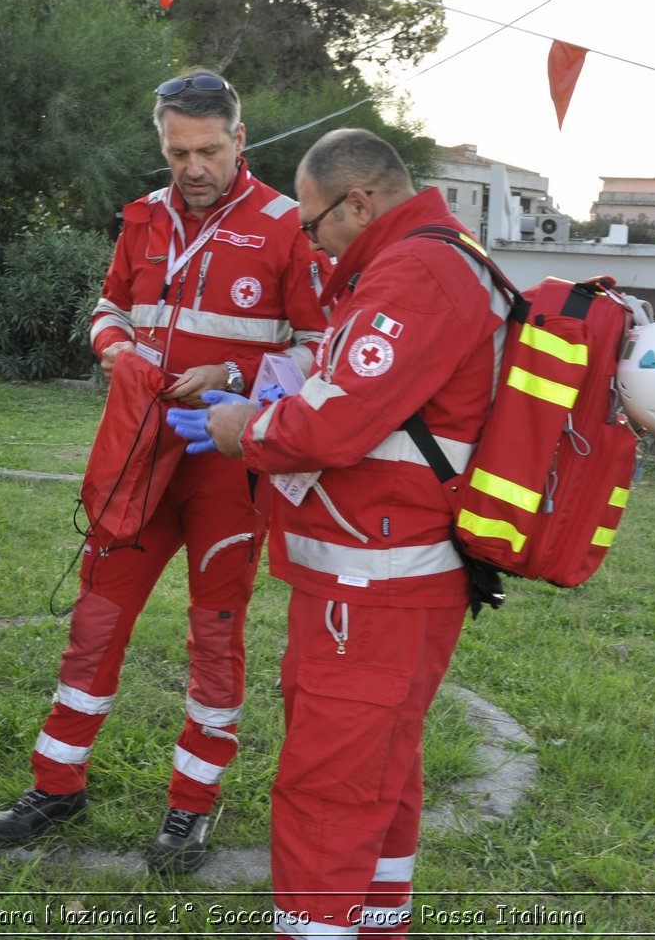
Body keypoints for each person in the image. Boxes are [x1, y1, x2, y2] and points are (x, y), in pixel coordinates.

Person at [0, 71, 328, 872]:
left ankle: (191, 806)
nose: (192, 166)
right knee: (95, 622)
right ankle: (55, 784)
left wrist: (234, 373)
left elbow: (320, 347)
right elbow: (107, 310)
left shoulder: (286, 225)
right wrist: (116, 350)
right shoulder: (142, 216)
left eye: (208, 150)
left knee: (215, 632)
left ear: (240, 140)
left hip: (223, 462)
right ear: (161, 142)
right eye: (177, 151)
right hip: (138, 453)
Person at [174, 128, 508, 936]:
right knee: (382, 773)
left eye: (314, 220)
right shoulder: (440, 258)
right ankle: (376, 920)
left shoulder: (416, 270)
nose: (309, 239)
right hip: (398, 573)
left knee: (327, 788)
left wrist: (242, 430)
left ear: (359, 202)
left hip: (374, 581)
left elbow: (330, 424)